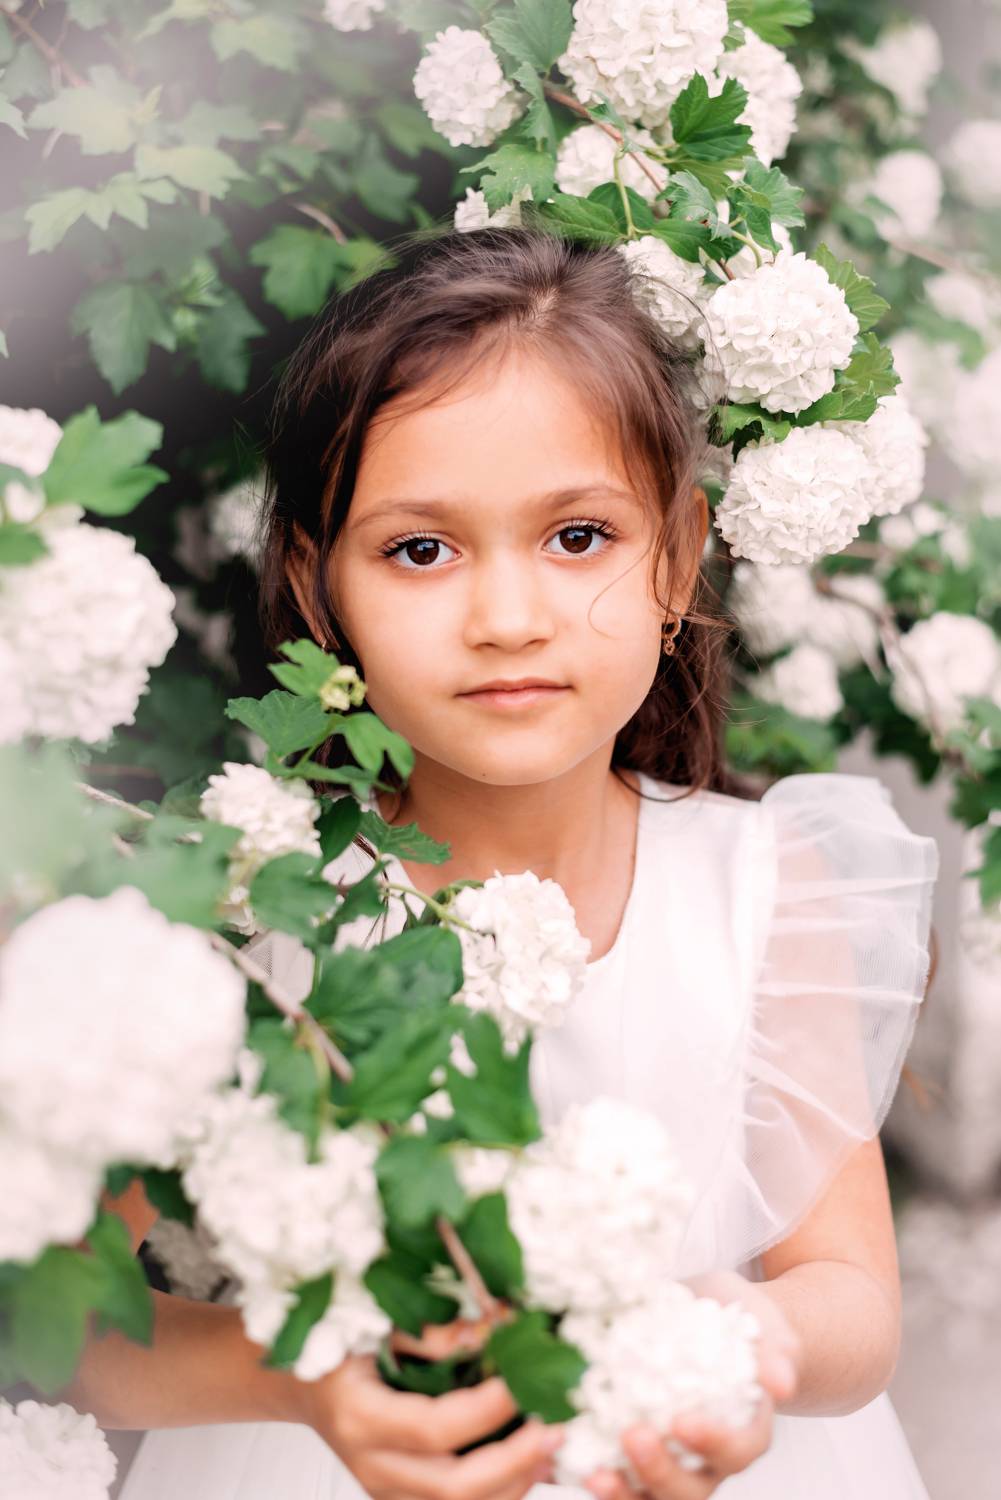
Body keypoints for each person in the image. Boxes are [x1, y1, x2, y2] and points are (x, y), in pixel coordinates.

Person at [78, 226, 938, 1500]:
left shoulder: (758, 889)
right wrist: (304, 1383)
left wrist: (750, 1334)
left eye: (576, 536)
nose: (507, 618)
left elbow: (852, 1299)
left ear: (676, 557)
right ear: (318, 585)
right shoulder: (250, 911)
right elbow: (76, 1329)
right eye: (420, 550)